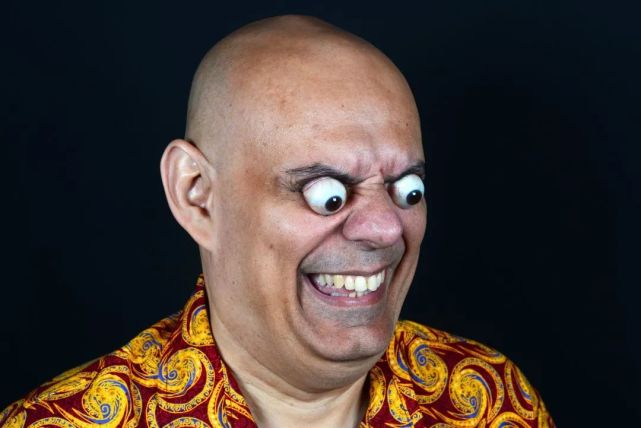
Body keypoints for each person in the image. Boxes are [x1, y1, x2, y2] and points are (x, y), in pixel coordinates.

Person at [1, 15, 554, 428]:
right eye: (327, 195)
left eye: (407, 190)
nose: (386, 228)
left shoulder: (490, 401)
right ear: (197, 197)